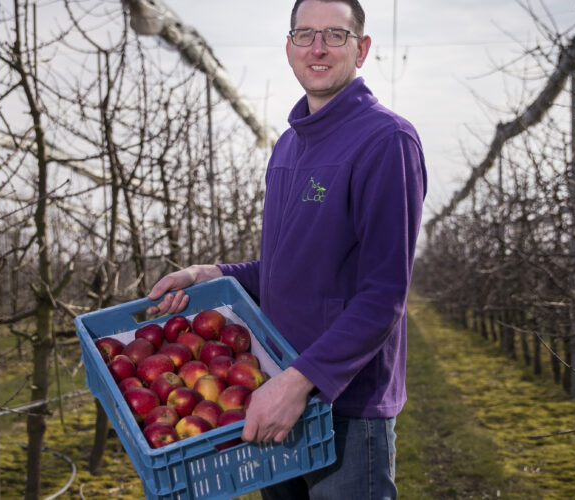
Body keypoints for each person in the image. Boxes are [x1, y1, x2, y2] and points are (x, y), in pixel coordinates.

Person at [147, 0, 426, 498]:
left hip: (343, 408)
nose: (318, 48)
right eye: (305, 35)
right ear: (289, 47)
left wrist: (298, 384)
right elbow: (286, 270)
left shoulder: (386, 140)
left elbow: (385, 293)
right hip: (268, 386)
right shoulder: (288, 149)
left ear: (361, 50)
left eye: (335, 36)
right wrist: (211, 274)